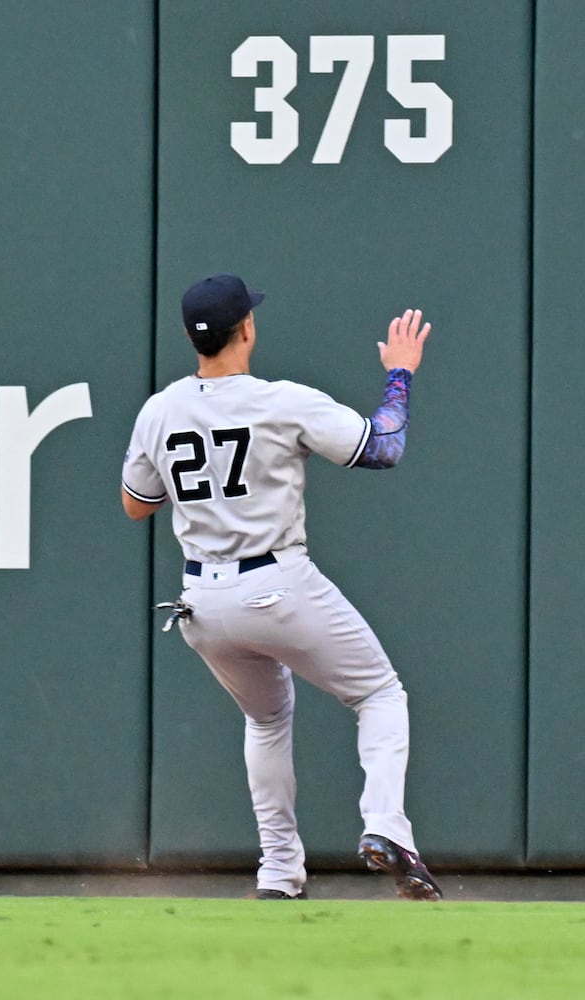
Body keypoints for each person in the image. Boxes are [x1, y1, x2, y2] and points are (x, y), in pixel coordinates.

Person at [120, 273, 440, 901]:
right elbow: (384, 448)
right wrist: (400, 373)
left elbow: (137, 505)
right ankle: (385, 827)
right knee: (379, 693)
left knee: (266, 720)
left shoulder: (159, 410)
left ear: (193, 338)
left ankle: (279, 871)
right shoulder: (280, 400)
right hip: (275, 581)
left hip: (202, 602)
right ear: (248, 328)